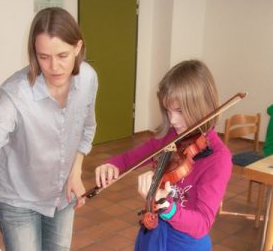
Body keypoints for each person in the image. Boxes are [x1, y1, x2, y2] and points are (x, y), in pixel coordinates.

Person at [0, 7, 98, 251]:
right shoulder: (16, 94)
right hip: (18, 198)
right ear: (34, 54)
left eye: (62, 55)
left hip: (61, 197)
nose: (54, 67)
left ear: (78, 47)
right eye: (43, 57)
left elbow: (87, 128)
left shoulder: (88, 79)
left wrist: (75, 171)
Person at [95, 60, 232, 251]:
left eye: (180, 111)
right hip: (152, 235)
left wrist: (165, 206)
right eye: (168, 110)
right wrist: (113, 165)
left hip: (184, 244)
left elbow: (202, 224)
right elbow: (132, 158)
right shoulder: (171, 138)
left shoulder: (218, 159)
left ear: (203, 107)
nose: (173, 120)